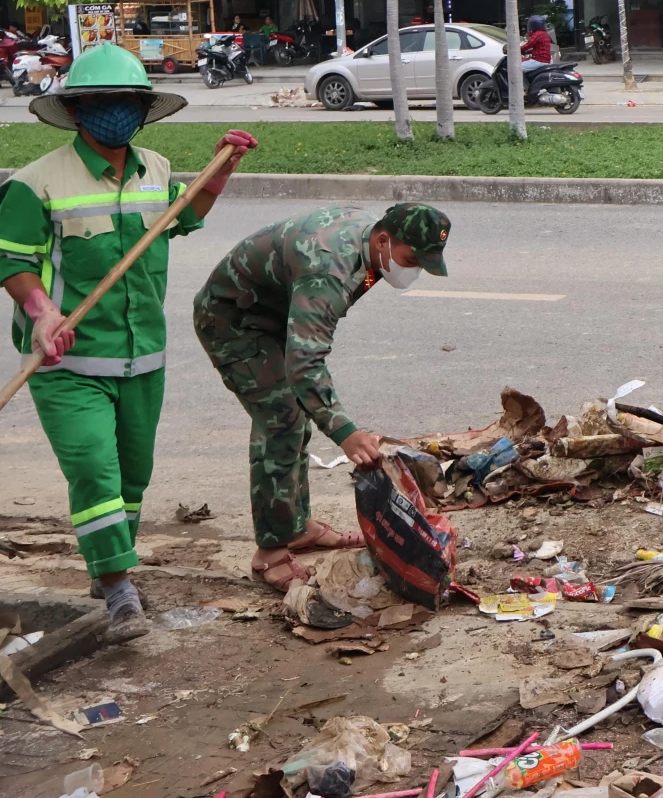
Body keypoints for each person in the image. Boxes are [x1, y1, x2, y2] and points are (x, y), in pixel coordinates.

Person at [0, 43, 256, 643]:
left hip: (144, 357)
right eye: (101, 101)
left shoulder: (157, 170)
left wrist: (223, 168)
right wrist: (41, 311)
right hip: (67, 361)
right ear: (77, 109)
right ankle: (118, 588)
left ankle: (106, 563)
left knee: (131, 478)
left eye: (126, 102)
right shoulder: (35, 183)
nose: (115, 111)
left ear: (143, 109)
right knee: (94, 469)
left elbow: (186, 216)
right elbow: (12, 260)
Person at [192, 202, 451, 591]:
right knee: (281, 419)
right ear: (383, 238)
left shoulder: (371, 242)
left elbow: (307, 342)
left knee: (295, 415)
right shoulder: (328, 267)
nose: (413, 270)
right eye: (410, 259)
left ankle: (296, 528)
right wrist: (345, 432)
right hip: (234, 322)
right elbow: (305, 362)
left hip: (274, 314)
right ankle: (270, 553)